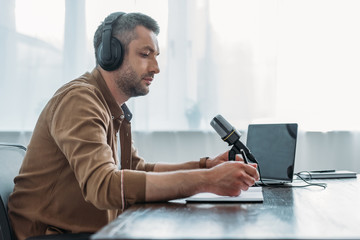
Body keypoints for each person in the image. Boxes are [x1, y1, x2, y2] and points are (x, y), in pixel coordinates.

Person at [8, 12, 259, 240]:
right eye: (145, 54)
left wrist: (206, 166)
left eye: (156, 56)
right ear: (111, 54)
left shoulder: (111, 108)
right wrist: (207, 180)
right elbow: (104, 185)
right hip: (45, 236)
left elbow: (137, 168)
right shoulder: (79, 101)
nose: (156, 68)